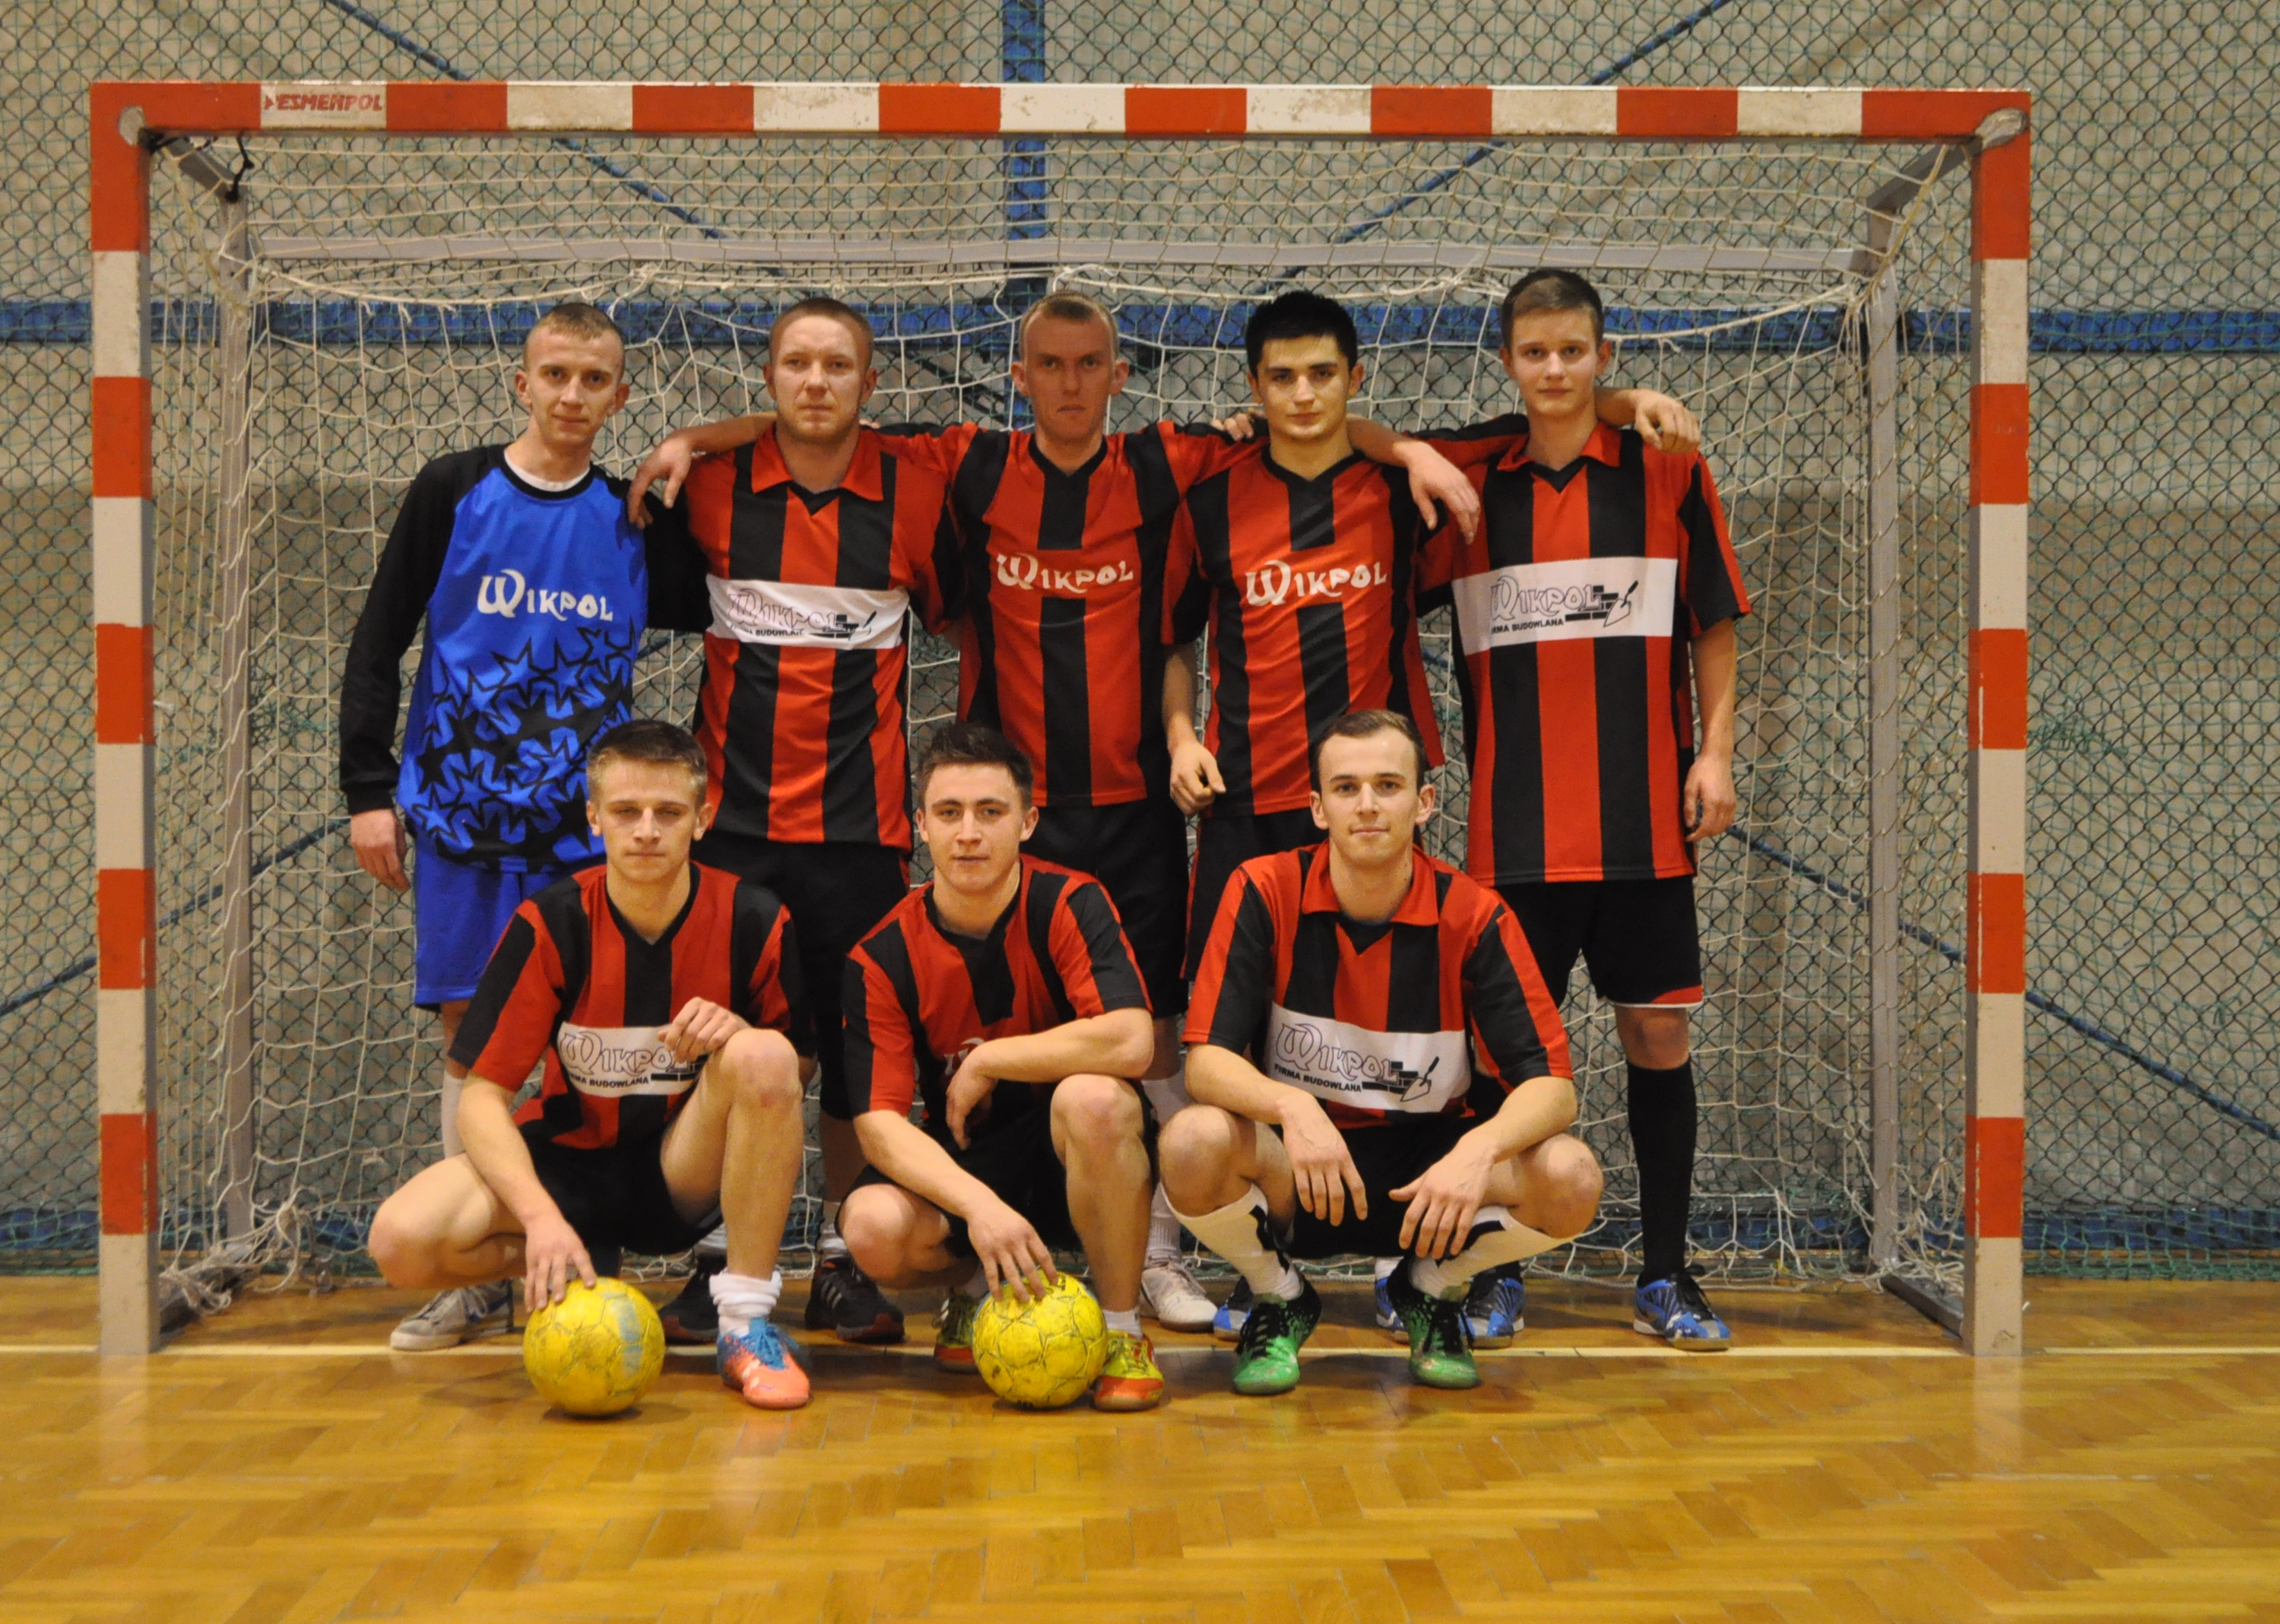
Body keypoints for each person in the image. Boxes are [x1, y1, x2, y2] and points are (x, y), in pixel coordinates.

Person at [628, 290, 1679, 1334]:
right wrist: (690, 439)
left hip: (1135, 811)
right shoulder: (970, 464)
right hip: (1011, 811)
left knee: (1166, 1040)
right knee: (866, 1033)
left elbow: (1319, 427)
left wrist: (1430, 441)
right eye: (1050, 365)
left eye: (1090, 364)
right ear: (1018, 377)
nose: (1070, 383)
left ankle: (1167, 1257)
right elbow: (823, 420)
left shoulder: (1172, 462)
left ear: (1120, 377)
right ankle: (848, 1256)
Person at [1156, 290, 1687, 1338]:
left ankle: (1415, 1248)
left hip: (1371, 810)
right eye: (1280, 377)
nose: (1302, 395)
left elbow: (1547, 409)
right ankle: (1255, 1266)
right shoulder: (1211, 497)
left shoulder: (1404, 493)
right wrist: (1180, 737)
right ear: (1253, 387)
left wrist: (1621, 402)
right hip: (1250, 802)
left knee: (1396, 1024)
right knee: (1231, 1044)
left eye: (1323, 374)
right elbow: (1176, 638)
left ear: (1356, 381)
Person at [338, 302, 696, 1352]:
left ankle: (590, 1257)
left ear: (621, 396)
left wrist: (694, 446)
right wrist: (367, 789)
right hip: (461, 823)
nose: (572, 395)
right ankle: (484, 1275)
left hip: (588, 842)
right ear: (521, 384)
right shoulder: (455, 490)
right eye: (556, 375)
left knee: (588, 1047)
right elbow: (378, 638)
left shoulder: (636, 518)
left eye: (595, 380)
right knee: (472, 1038)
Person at [1425, 268, 1752, 1350]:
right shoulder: (1468, 487)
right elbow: (1363, 452)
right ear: (1507, 364)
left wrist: (1716, 754)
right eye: (1536, 353)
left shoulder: (1669, 469)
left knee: (1657, 1034)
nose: (1556, 369)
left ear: (1605, 355)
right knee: (1508, 1063)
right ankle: (1496, 1272)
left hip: (1643, 826)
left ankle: (1666, 1275)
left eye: (1575, 352)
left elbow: (1713, 620)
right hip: (1512, 835)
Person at [642, 298, 963, 1346]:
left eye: (837, 365)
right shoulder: (712, 487)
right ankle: (717, 1261)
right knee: (734, 1052)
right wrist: (694, 437)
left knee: (854, 1053)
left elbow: (958, 615)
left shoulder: (917, 491)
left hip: (861, 838)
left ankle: (838, 1260)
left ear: (872, 383)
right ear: (769, 378)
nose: (816, 382)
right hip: (730, 835)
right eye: (796, 364)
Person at [365, 720, 815, 1409]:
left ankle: (746, 1326)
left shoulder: (752, 918)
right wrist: (541, 1219)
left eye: (668, 813)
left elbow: (795, 1072)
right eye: (626, 811)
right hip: (569, 1169)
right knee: (400, 1241)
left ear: (702, 820)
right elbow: (482, 1096)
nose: (646, 831)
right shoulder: (551, 921)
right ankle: (577, 1261)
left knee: (763, 1052)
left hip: (681, 1171)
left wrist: (739, 1036)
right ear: (594, 817)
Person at [1162, 709, 1603, 1394]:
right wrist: (1293, 1107)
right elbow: (1205, 1062)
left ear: (1423, 802)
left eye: (1388, 785)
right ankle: (1278, 1296)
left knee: (1572, 1176)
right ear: (1318, 808)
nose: (1367, 804)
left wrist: (1477, 1151)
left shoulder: (1475, 915)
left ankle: (1432, 1289)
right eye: (1346, 788)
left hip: (1428, 1184)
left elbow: (1554, 1088)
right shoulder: (1263, 888)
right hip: (1301, 1168)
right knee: (1191, 1141)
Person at [835, 723, 1166, 1410]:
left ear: (1027, 821)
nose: (969, 834)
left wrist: (992, 1058)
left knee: (1093, 1099)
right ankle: (972, 1288)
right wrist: (980, 1208)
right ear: (920, 825)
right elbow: (877, 1128)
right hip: (971, 1158)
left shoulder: (1071, 900)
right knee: (869, 1225)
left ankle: (1122, 1330)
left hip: (1079, 1151)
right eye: (949, 813)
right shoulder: (880, 955)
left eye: (990, 812)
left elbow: (1133, 1040)